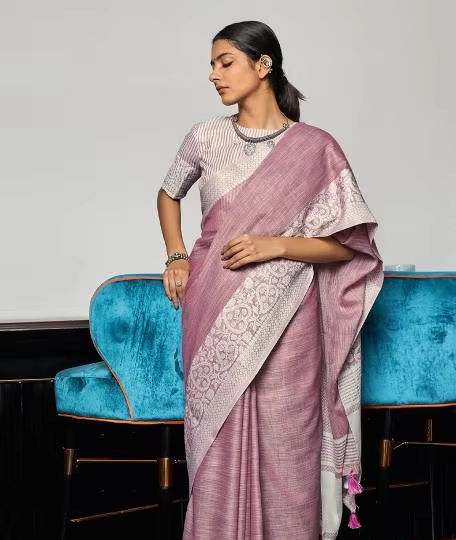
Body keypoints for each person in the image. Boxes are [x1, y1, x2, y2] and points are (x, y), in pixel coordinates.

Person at [157, 20, 383, 540]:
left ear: (264, 65)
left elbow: (349, 246)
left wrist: (276, 245)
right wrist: (176, 255)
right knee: (216, 435)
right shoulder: (205, 137)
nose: (213, 74)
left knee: (289, 437)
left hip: (292, 316)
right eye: (212, 64)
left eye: (225, 62)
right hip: (213, 308)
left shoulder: (316, 148)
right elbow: (168, 193)